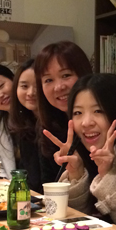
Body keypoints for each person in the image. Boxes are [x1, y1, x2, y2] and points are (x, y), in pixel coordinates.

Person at [44, 74, 116, 230]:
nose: (86, 123)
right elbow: (76, 223)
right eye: (78, 113)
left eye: (98, 111)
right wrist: (76, 174)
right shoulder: (84, 151)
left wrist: (108, 176)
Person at [34, 41, 93, 183]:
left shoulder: (102, 121)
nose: (59, 87)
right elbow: (47, 184)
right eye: (49, 80)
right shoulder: (48, 126)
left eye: (66, 75)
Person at [9, 59, 43, 193]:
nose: (31, 93)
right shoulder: (24, 124)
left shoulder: (57, 125)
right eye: (24, 86)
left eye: (38, 86)